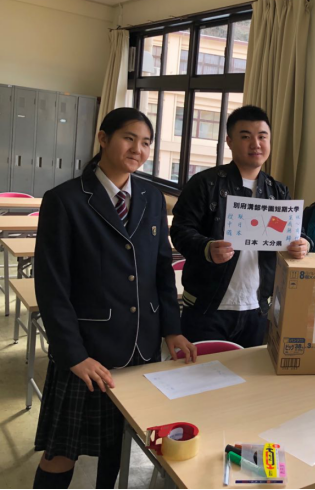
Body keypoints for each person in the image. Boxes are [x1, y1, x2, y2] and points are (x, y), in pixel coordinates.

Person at [32, 108, 196, 490]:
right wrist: (73, 355)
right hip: (88, 352)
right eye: (129, 138)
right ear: (103, 139)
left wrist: (171, 330)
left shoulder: (152, 198)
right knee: (61, 451)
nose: (138, 149)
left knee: (117, 445)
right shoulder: (65, 200)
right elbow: (52, 286)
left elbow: (161, 270)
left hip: (140, 346)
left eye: (146, 142)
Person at [171, 105, 311, 349]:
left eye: (262, 136)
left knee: (247, 373)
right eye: (245, 136)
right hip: (208, 307)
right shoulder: (205, 183)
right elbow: (180, 230)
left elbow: (294, 233)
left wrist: (304, 243)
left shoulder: (277, 191)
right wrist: (207, 247)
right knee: (201, 372)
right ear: (229, 141)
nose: (255, 144)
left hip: (256, 309)